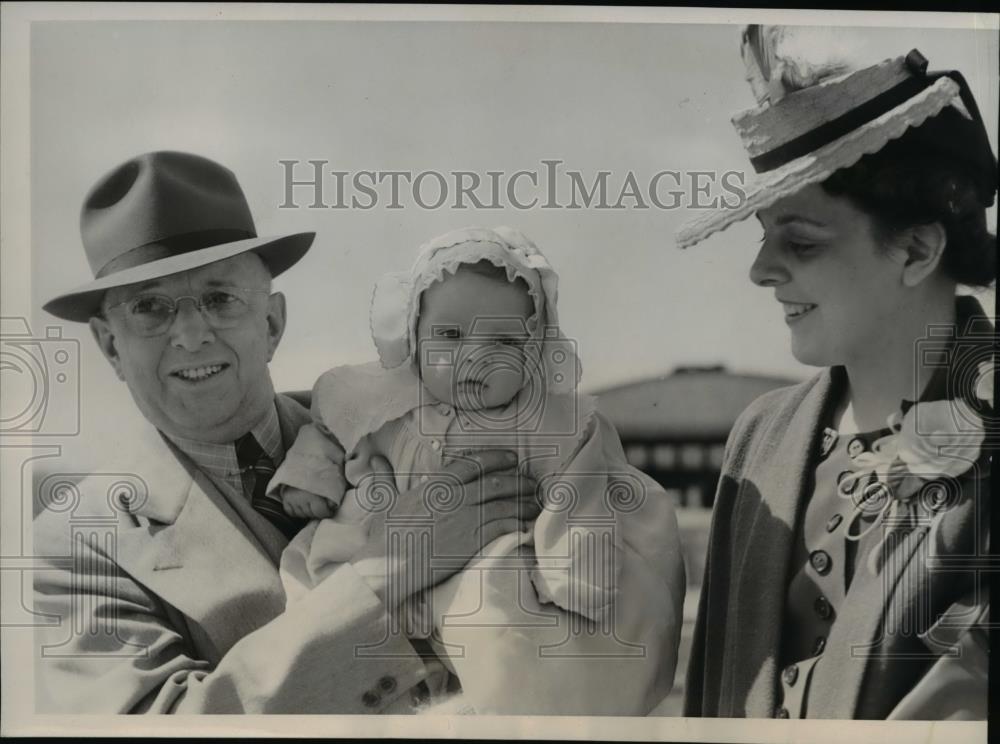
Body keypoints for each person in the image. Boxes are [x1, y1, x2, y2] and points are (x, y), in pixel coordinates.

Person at [32, 151, 540, 713]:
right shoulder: (79, 543)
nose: (192, 334)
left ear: (271, 323)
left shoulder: (393, 422)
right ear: (110, 347)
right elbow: (160, 726)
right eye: (150, 307)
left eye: (219, 298)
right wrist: (384, 575)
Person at [677, 26, 995, 719]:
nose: (761, 270)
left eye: (801, 241)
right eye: (764, 239)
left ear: (915, 248)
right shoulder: (759, 437)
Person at [266, 226, 685, 715]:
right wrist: (309, 478)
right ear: (414, 336)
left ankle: (509, 707)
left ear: (534, 348)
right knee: (319, 584)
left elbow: (581, 492)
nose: (474, 357)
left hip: (489, 560)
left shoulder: (550, 421)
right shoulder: (379, 400)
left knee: (501, 613)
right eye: (449, 335)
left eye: (503, 339)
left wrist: (574, 574)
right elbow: (327, 431)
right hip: (379, 545)